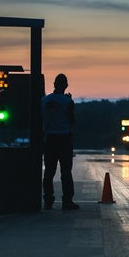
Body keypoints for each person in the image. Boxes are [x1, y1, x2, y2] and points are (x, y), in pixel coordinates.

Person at [42, 74, 79, 210]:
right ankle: (67, 201)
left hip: (50, 138)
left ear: (54, 84)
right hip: (64, 138)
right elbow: (72, 121)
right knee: (66, 172)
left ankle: (48, 200)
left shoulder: (44, 101)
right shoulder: (67, 102)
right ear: (66, 86)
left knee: (49, 172)